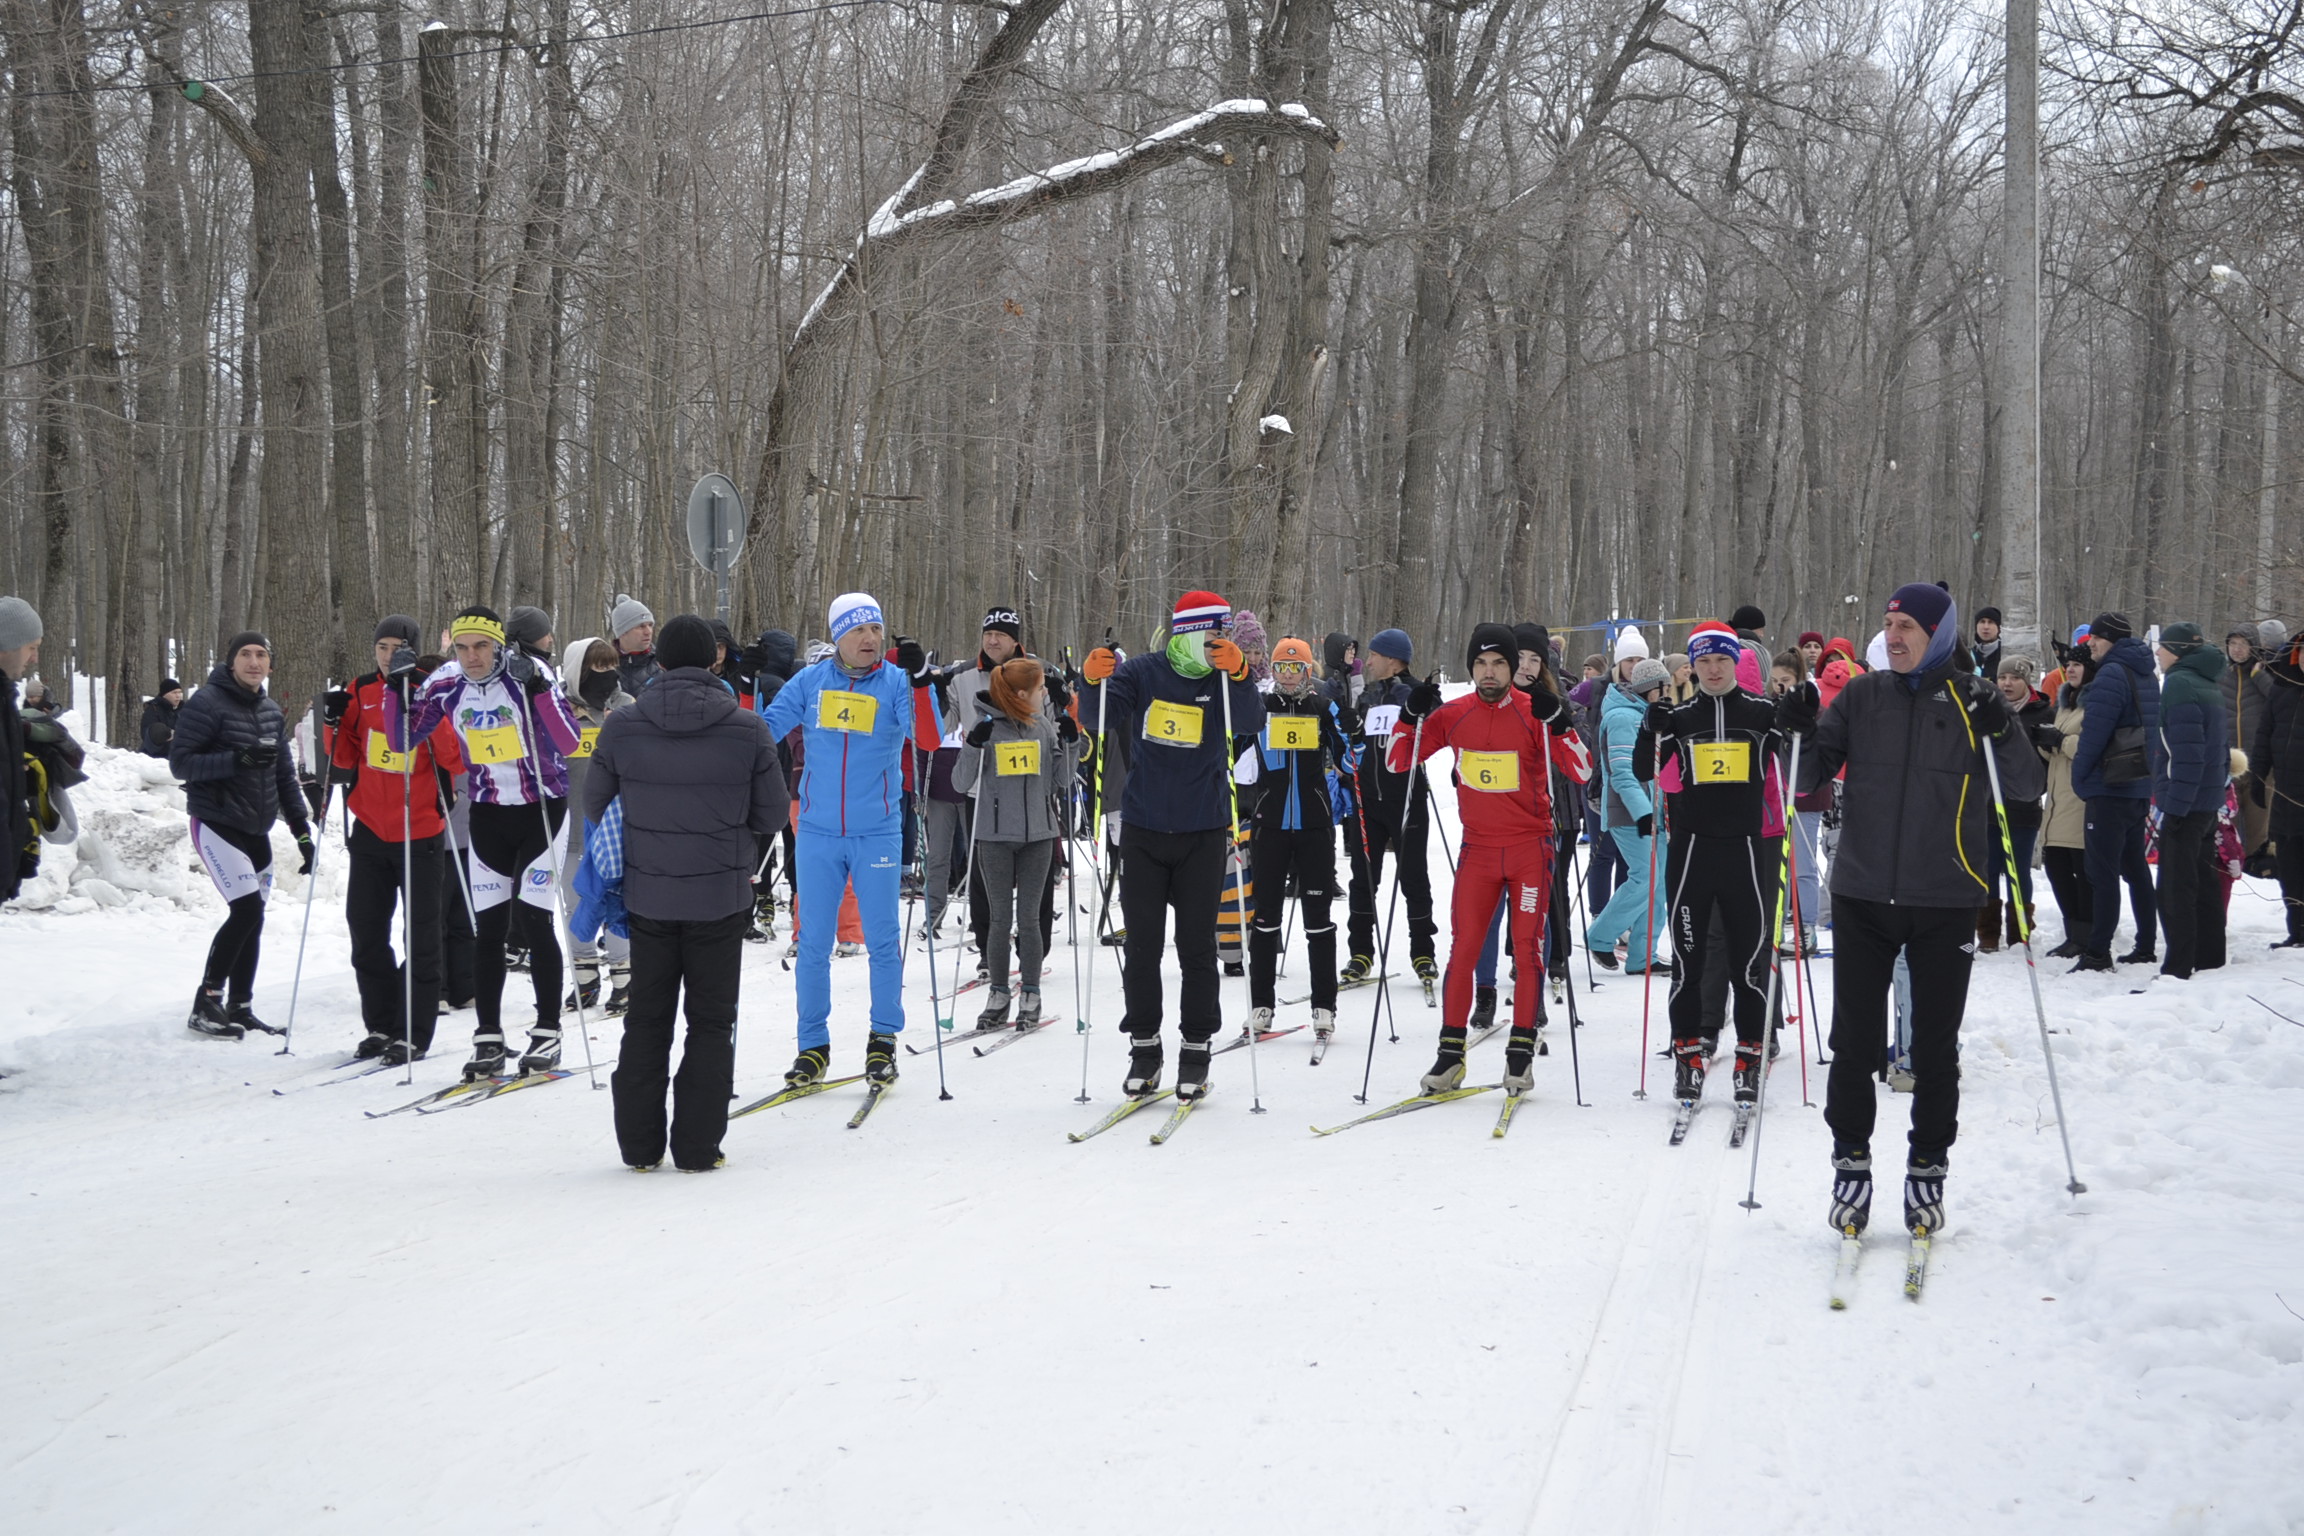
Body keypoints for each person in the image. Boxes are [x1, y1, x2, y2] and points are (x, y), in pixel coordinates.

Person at [1779, 583, 2044, 1241]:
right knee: (1854, 1045)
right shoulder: (1864, 696)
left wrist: (2002, 727)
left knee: (1933, 1050)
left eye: (1908, 627)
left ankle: (1928, 1167)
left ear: (1941, 635)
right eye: (1888, 624)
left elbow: (2026, 785)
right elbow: (1807, 777)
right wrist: (1797, 727)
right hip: (1864, 894)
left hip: (1945, 897)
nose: (1893, 636)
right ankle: (1851, 1162)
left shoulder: (1970, 699)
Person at [584, 614, 788, 1171]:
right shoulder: (747, 728)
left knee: (647, 1019)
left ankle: (640, 1147)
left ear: (663, 662)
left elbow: (596, 804)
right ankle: (698, 1148)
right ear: (715, 661)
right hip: (720, 896)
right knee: (711, 1021)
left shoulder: (624, 726)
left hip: (648, 896)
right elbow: (771, 812)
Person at [1388, 623, 1590, 1096]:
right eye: (1481, 663)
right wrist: (1408, 716)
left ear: (1514, 665)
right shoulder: (1455, 714)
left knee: (1526, 946)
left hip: (1528, 848)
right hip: (1478, 849)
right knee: (1463, 950)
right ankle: (1450, 1054)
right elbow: (1398, 761)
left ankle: (1520, 1052)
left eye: (1499, 663)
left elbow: (1582, 770)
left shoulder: (1534, 712)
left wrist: (1560, 724)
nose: (1490, 672)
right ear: (1471, 669)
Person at [1081, 590, 1265, 1101]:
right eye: (1212, 636)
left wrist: (1242, 675)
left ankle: (1196, 1048)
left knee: (1197, 948)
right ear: (1187, 633)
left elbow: (1250, 724)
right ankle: (1144, 1048)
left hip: (1202, 831)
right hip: (1142, 831)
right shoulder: (1142, 671)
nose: (1218, 645)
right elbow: (1095, 717)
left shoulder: (1223, 677)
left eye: (1224, 637)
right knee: (1141, 947)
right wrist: (1090, 679)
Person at [389, 605, 585, 1078]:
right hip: (488, 816)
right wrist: (399, 691)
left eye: (481, 646)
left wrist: (538, 690)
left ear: (498, 645)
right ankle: (489, 1035)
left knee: (535, 919)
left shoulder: (528, 671)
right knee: (489, 929)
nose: (472, 656)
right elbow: (401, 740)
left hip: (543, 812)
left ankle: (547, 1030)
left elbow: (569, 741)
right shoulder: (446, 683)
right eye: (462, 647)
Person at [759, 593, 941, 1086]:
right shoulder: (813, 681)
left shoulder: (897, 683)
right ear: (838, 637)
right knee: (813, 942)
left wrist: (923, 684)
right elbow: (763, 730)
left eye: (876, 630)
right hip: (817, 832)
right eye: (859, 631)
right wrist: (745, 693)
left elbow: (927, 739)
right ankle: (812, 1046)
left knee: (882, 941)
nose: (870, 639)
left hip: (876, 831)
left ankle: (882, 1040)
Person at [1634, 622, 1787, 1108]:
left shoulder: (1762, 714)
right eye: (1704, 662)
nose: (1714, 670)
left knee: (1748, 963)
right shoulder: (1679, 718)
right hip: (1692, 853)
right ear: (1692, 667)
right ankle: (1689, 1055)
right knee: (1688, 962)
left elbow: (1808, 758)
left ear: (1735, 663)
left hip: (1745, 851)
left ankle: (1748, 1054)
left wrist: (1804, 718)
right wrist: (1648, 728)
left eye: (1722, 660)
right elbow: (1644, 770)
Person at [326, 616, 467, 1063]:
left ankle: (414, 1031)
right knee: (366, 933)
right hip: (369, 829)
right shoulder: (360, 690)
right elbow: (344, 758)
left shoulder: (432, 689)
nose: (388, 656)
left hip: (421, 831)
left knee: (421, 935)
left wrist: (422, 709)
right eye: (382, 647)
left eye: (397, 647)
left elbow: (453, 756)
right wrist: (332, 723)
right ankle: (381, 1025)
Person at [171, 631, 316, 1038]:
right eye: (246, 655)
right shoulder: (207, 703)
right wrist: (237, 760)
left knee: (254, 918)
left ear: (270, 664)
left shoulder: (270, 711)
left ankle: (241, 1005)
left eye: (262, 656)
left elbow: (284, 776)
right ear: (231, 661)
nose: (254, 662)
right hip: (216, 823)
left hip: (258, 829)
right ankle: (207, 1001)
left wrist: (303, 832)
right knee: (247, 910)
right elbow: (180, 764)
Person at [1237, 637, 1359, 1043]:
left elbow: (1349, 761)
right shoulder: (1261, 708)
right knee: (1266, 918)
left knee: (1318, 921)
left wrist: (1353, 735)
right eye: (1281, 668)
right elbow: (1235, 756)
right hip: (1270, 825)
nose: (1288, 676)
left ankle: (1324, 1006)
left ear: (1309, 672)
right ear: (1272, 671)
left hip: (1314, 826)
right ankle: (1261, 1004)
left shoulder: (1323, 707)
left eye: (1296, 668)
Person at [952, 656, 1079, 1027]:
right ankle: (998, 992)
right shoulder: (986, 727)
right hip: (994, 836)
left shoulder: (1042, 727)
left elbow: (1062, 778)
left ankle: (1031, 991)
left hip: (1039, 835)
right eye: (1040, 689)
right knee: (998, 918)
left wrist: (1071, 743)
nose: (1044, 695)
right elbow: (961, 783)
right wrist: (974, 746)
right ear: (1023, 693)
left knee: (1029, 918)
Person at [1342, 627, 1436, 988]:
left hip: (1406, 799)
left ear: (1394, 659)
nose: (1369, 661)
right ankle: (1361, 951)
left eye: (1376, 655)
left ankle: (1422, 950)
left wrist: (1426, 704)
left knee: (1414, 877)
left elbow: (1433, 731)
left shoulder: (1413, 692)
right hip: (1367, 800)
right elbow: (1358, 744)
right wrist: (1351, 731)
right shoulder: (1366, 695)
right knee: (1364, 879)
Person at [2068, 611, 2161, 971]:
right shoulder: (2144, 670)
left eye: (2097, 638)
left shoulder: (2110, 672)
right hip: (2138, 782)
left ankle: (2097, 951)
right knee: (2135, 868)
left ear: (2112, 640)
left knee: (2101, 872)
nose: (2090, 643)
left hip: (2109, 785)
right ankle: (2146, 943)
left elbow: (2095, 733)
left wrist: (2080, 776)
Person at [2149, 623, 2231, 980]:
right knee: (2203, 882)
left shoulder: (2181, 682)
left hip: (2186, 801)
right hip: (2207, 798)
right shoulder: (2206, 679)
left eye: (2163, 647)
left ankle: (2178, 966)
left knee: (2174, 888)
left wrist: (2175, 805)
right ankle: (2210, 958)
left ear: (2178, 651)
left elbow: (2187, 752)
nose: (2157, 653)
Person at [561, 635, 636, 1013]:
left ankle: (624, 980)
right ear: (578, 671)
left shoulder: (625, 706)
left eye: (611, 667)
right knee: (577, 903)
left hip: (614, 830)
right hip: (570, 828)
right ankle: (585, 978)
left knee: (615, 901)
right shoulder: (559, 710)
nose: (606, 675)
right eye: (597, 668)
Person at [1585, 657, 1672, 973]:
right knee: (1645, 878)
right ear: (1653, 689)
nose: (1669, 695)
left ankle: (1642, 956)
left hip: (1655, 812)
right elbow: (1622, 774)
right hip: (1630, 813)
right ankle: (1600, 936)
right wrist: (1643, 813)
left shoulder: (1647, 715)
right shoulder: (1623, 717)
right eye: (1665, 689)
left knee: (1659, 883)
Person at [1979, 656, 2054, 952]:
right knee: (1988, 868)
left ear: (2027, 682)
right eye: (2003, 678)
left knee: (2018, 869)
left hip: (2023, 806)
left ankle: (2019, 928)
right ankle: (1987, 931)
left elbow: (2046, 762)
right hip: (1988, 803)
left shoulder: (2040, 713)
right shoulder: (1989, 712)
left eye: (2014, 678)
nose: (2007, 684)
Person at [2035, 647, 2096, 957]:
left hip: (2080, 798)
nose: (2070, 670)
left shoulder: (2095, 703)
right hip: (2058, 798)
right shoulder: (2064, 704)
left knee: (2080, 871)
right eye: (2068, 665)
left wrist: (2060, 741)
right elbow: (2057, 751)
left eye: (2077, 665)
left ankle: (2085, 935)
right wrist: (2045, 740)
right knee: (2058, 868)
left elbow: (2093, 747)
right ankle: (2072, 931)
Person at [2250, 627, 2304, 946]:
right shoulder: (2282, 688)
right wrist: (2258, 775)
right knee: (2290, 869)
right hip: (2285, 795)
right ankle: (2297, 932)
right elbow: (2264, 735)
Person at [1, 597, 44, 903]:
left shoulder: (6, 697)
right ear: (6, 645)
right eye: (31, 647)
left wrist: (20, 841)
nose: (34, 658)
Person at [609, 594, 657, 697]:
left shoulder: (663, 664)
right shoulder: (604, 665)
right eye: (641, 626)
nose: (648, 631)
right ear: (623, 632)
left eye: (650, 625)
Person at [140, 679, 183, 759]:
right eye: (174, 693)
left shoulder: (185, 710)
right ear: (165, 694)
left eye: (179, 692)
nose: (178, 696)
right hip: (156, 756)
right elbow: (149, 735)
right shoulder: (153, 710)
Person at [1970, 606, 2004, 678]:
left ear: (1998, 628)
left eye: (1990, 622)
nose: (1986, 627)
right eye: (1982, 621)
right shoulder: (1969, 655)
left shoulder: (2004, 655)